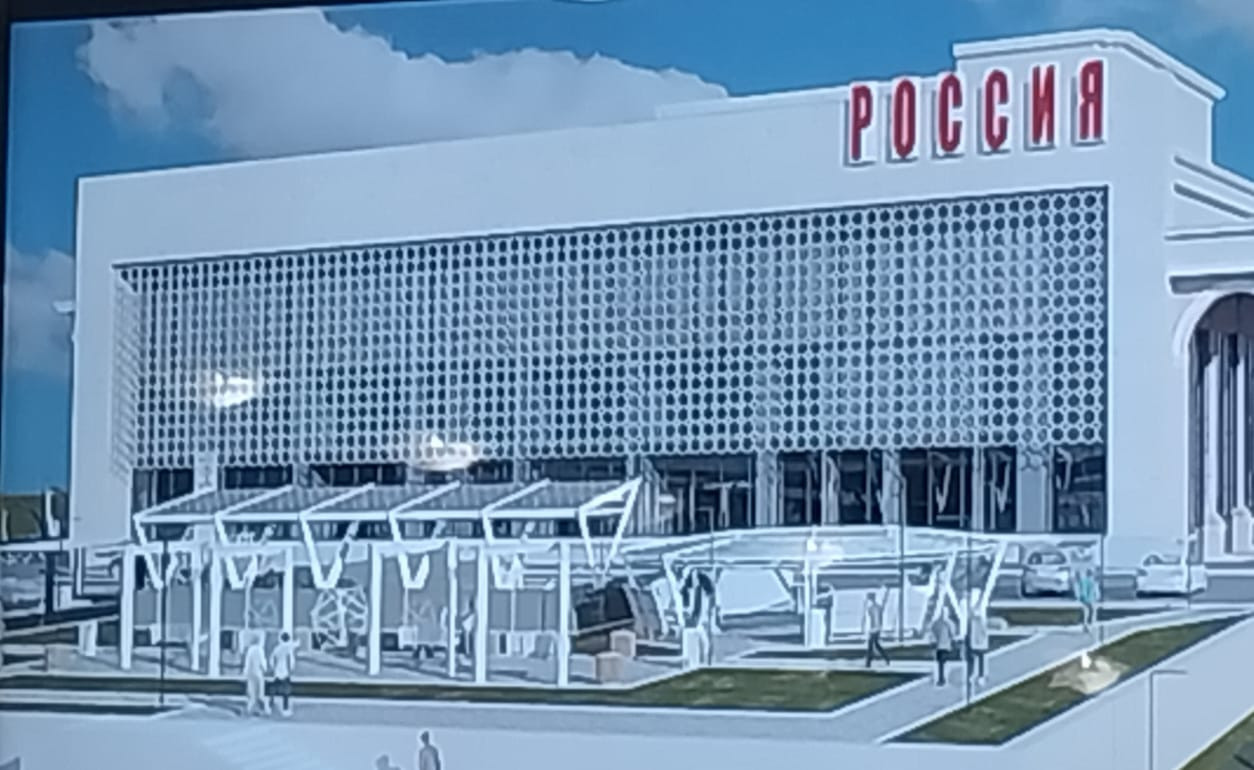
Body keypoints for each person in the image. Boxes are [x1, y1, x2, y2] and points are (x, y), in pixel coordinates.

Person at [269, 630, 298, 717]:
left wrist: (273, 668)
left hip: (277, 671)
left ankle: (270, 705)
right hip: (285, 672)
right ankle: (285, 709)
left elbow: (272, 659)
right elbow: (290, 660)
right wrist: (291, 669)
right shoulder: (288, 648)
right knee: (286, 691)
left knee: (274, 688)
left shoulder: (277, 648)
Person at [242, 632, 270, 717]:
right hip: (258, 674)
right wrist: (265, 669)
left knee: (252, 696)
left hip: (250, 674)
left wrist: (245, 673)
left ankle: (249, 710)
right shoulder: (259, 650)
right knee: (261, 694)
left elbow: (247, 663)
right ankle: (267, 711)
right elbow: (262, 663)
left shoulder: (250, 650)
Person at [862, 591, 890, 668]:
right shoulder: (878, 607)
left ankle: (868, 662)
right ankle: (886, 658)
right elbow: (879, 618)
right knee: (876, 645)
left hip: (874, 629)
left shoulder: (871, 608)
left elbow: (871, 619)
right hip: (877, 628)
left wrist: (871, 629)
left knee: (871, 645)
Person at [929, 611, 956, 687]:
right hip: (945, 646)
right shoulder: (948, 624)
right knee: (944, 664)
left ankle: (940, 680)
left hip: (938, 646)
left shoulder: (935, 623)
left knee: (940, 664)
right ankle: (943, 679)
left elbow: (932, 632)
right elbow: (952, 634)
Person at [966, 607, 990, 687]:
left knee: (975, 661)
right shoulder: (979, 621)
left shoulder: (973, 622)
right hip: (979, 645)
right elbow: (984, 633)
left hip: (976, 645)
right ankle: (979, 676)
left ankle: (976, 676)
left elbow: (983, 633)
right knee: (979, 661)